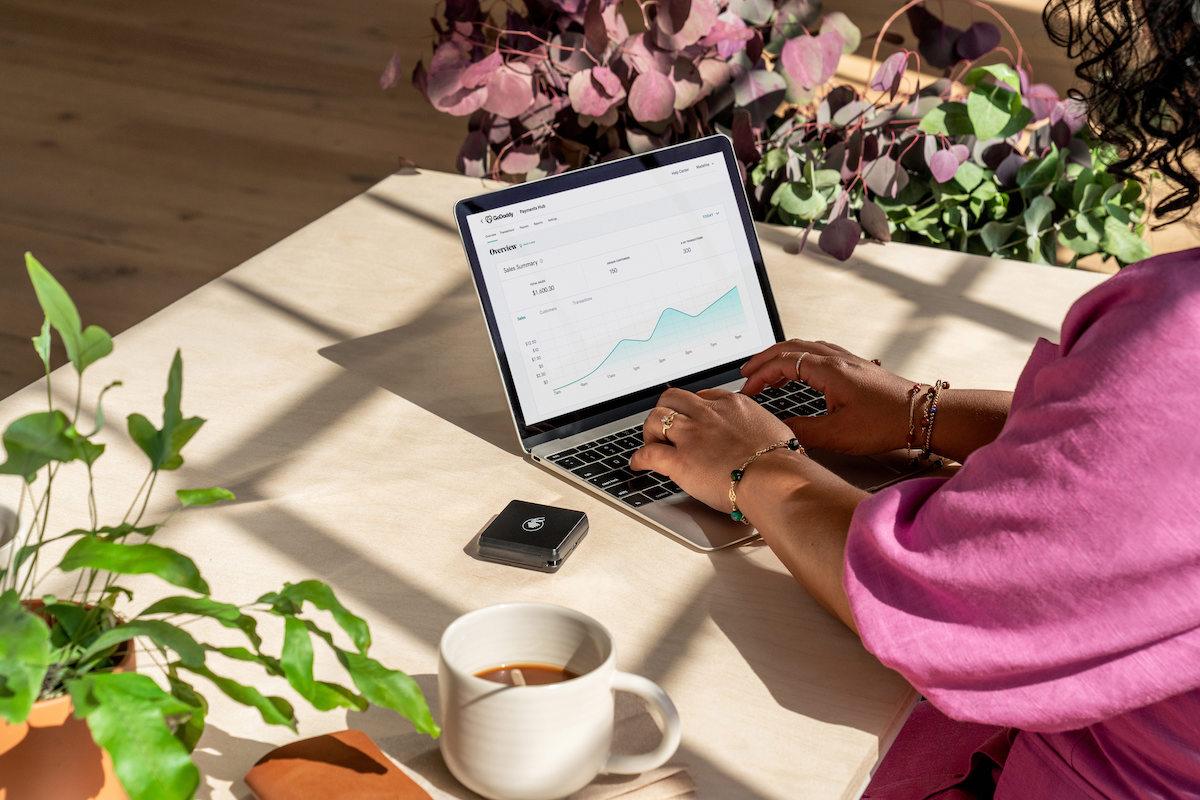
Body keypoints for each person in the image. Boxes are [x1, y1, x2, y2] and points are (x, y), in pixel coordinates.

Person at [629, 0, 1200, 796]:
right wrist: (919, 414)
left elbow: (943, 600)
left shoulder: (1184, 335)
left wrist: (755, 465)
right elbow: (1155, 473)